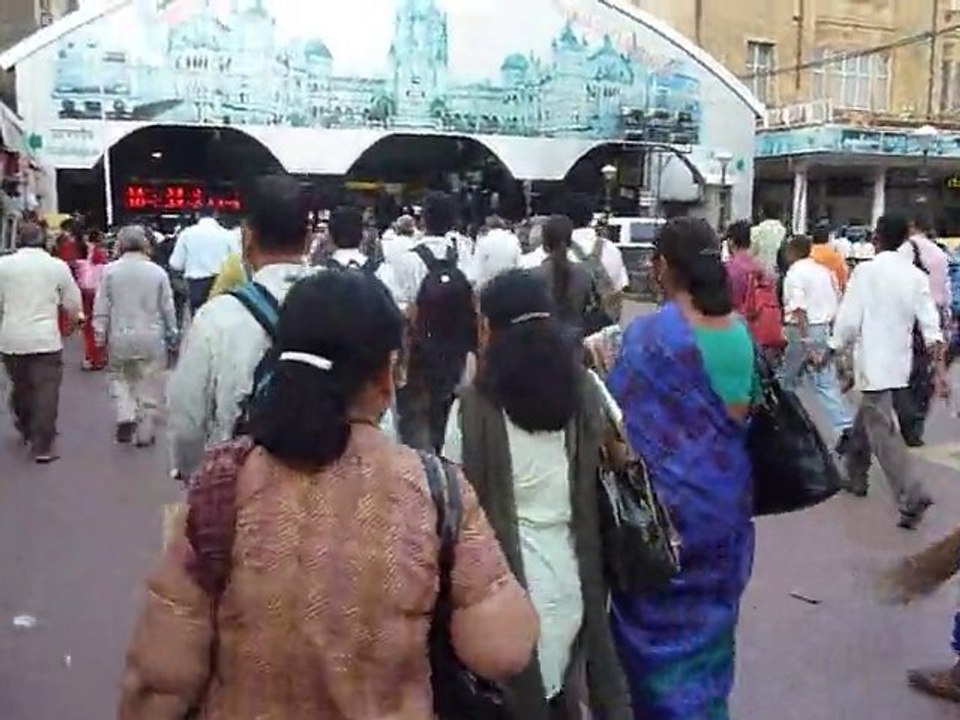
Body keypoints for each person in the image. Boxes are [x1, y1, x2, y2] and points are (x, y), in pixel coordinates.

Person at [119, 270, 538, 719]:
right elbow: (502, 649)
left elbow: (162, 674)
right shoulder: (435, 489)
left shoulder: (225, 480)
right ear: (386, 372)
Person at [444, 269, 630, 720]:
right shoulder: (586, 390)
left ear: (488, 328)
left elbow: (449, 499)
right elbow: (623, 454)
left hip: (503, 592)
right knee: (559, 691)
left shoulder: (471, 409)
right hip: (574, 582)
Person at [606, 217, 755, 719]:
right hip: (722, 511)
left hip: (661, 519)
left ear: (665, 267)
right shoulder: (739, 335)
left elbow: (621, 424)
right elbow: (740, 418)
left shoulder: (647, 336)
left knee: (650, 639)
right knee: (712, 633)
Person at [168, 176, 311, 479]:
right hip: (327, 497)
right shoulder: (348, 305)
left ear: (247, 237)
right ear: (309, 238)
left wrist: (194, 474)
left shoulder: (216, 317)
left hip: (242, 486)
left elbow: (188, 419)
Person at [828, 213, 945, 530]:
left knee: (880, 427)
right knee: (867, 418)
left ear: (876, 238)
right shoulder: (914, 275)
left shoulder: (866, 271)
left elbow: (850, 317)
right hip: (898, 359)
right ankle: (856, 471)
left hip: (872, 359)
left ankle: (911, 493)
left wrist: (835, 345)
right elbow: (929, 318)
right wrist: (936, 345)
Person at [0, 222, 82, 463]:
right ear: (44, 241)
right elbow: (72, 302)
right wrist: (77, 322)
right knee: (46, 390)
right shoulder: (56, 267)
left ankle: (25, 424)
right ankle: (43, 446)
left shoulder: (3, 266)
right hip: (46, 338)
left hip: (11, 337)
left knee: (20, 386)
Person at [92, 226, 177, 447]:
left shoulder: (110, 271)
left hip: (120, 334)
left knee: (119, 378)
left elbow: (101, 305)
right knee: (149, 382)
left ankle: (125, 414)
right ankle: (146, 429)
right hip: (151, 335)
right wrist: (172, 333)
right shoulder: (158, 272)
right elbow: (168, 307)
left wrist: (99, 333)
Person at [779, 235, 854, 452]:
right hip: (824, 326)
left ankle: (789, 429)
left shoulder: (795, 273)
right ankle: (844, 425)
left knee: (787, 380)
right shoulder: (824, 271)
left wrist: (806, 342)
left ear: (792, 252)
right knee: (824, 380)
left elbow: (799, 309)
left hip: (801, 330)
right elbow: (837, 300)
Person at [893, 215, 953, 446]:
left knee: (906, 369)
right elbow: (945, 291)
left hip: (912, 314)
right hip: (935, 313)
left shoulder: (905, 250)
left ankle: (907, 420)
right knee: (925, 372)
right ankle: (916, 423)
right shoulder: (940, 253)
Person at [567, 194, 629, 323]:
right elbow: (621, 287)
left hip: (570, 329)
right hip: (604, 328)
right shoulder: (611, 249)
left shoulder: (560, 252)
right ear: (591, 218)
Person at [532, 215, 596, 337]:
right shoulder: (584, 275)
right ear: (570, 243)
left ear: (544, 245)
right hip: (576, 340)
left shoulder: (533, 277)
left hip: (543, 342)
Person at [169, 209, 237, 316]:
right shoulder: (227, 235)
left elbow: (176, 264)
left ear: (197, 215)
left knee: (199, 322)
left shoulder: (187, 234)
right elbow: (236, 259)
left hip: (195, 285)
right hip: (220, 283)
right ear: (216, 214)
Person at [75, 229, 110, 371]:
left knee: (89, 326)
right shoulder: (100, 253)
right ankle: (99, 356)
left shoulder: (82, 250)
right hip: (98, 291)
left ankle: (92, 357)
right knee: (100, 323)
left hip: (85, 290)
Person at [724, 219, 765, 312]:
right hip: (760, 320)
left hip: (736, 320)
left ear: (731, 241)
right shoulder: (762, 267)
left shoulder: (728, 269)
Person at [471, 216, 522, 288]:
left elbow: (477, 267)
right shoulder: (513, 238)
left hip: (489, 285)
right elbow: (518, 262)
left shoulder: (484, 240)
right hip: (510, 283)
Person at [810, 221, 848, 293]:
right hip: (829, 295)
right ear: (828, 238)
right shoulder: (836, 257)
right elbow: (843, 280)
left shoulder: (807, 254)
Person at [750, 211, 787, 278]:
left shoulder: (755, 231)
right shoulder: (785, 232)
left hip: (758, 275)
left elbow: (750, 254)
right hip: (777, 275)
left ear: (762, 213)